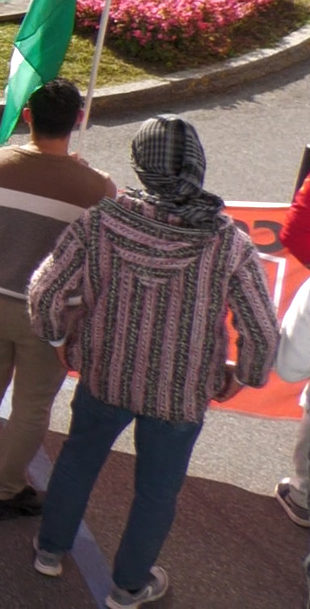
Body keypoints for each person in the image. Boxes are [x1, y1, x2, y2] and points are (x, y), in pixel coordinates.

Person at [31, 115, 279, 606]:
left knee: (79, 460)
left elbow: (45, 290)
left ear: (141, 165)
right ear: (197, 164)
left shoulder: (100, 222)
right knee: (156, 492)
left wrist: (57, 334)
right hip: (181, 392)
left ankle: (49, 550)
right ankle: (128, 586)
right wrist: (246, 375)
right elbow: (262, 329)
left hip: (104, 373)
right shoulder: (227, 242)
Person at [0, 79, 116, 519]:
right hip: (50, 313)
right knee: (32, 402)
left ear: (27, 116)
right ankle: (4, 489)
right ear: (78, 120)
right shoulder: (98, 188)